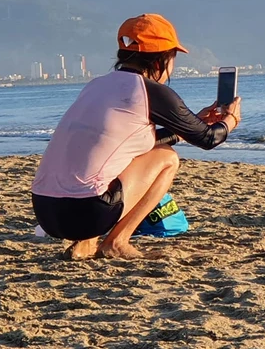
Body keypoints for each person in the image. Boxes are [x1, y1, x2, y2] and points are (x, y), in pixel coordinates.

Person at [31, 13, 241, 260]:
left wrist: (188, 125)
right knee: (167, 159)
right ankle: (117, 242)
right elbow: (208, 139)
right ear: (162, 59)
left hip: (46, 211)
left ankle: (87, 244)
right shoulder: (152, 91)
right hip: (86, 213)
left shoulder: (96, 86)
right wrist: (230, 120)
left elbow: (132, 142)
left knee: (108, 161)